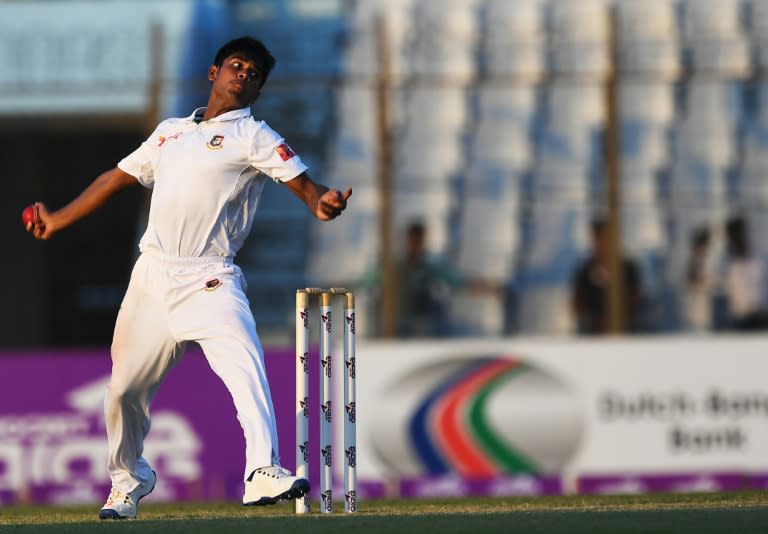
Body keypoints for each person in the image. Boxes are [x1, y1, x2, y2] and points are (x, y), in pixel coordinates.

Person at [23, 36, 351, 520]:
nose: (244, 75)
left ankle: (262, 469)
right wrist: (58, 219)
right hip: (152, 278)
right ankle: (128, 478)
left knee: (244, 364)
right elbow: (115, 178)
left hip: (210, 279)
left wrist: (321, 202)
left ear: (257, 91)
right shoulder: (170, 132)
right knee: (122, 392)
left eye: (254, 74)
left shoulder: (254, 135)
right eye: (236, 66)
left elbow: (306, 187)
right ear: (214, 73)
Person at [569, 217, 643, 334]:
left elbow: (635, 301)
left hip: (625, 332)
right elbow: (577, 304)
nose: (602, 244)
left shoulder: (629, 268)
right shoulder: (584, 270)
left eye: (606, 239)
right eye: (598, 239)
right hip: (592, 333)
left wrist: (617, 320)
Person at [722, 216, 768, 330]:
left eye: (740, 235)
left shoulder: (760, 258)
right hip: (740, 320)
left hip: (763, 317)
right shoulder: (727, 262)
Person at [683, 226, 715, 331]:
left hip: (705, 303)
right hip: (695, 302)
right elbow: (690, 281)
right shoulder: (692, 258)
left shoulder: (705, 258)